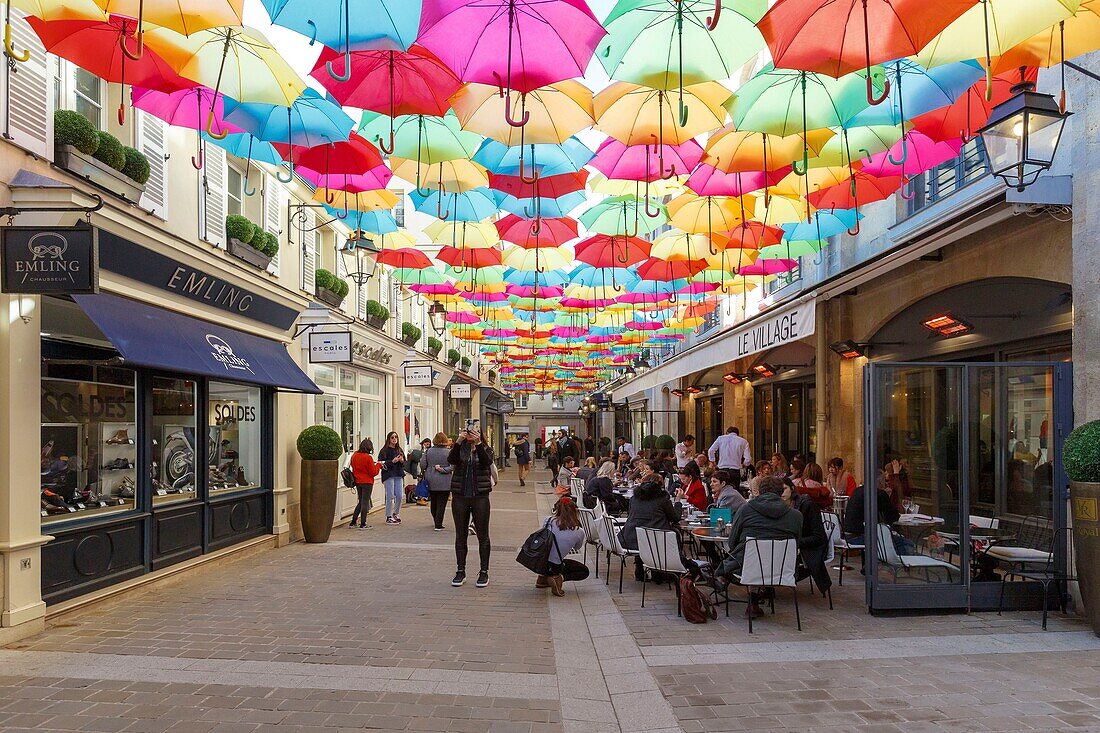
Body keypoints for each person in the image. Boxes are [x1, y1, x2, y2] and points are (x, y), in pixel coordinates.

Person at [716, 476, 803, 618]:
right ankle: (755, 601)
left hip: (749, 568)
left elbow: (732, 543)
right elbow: (796, 544)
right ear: (781, 492)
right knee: (758, 556)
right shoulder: (796, 516)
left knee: (749, 556)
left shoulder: (746, 510)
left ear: (760, 492)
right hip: (782, 569)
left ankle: (752, 600)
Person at [447, 425, 494, 588]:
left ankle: (484, 572)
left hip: (480, 497)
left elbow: (486, 462)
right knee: (460, 535)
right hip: (460, 496)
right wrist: (458, 442)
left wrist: (478, 444)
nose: (470, 434)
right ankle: (460, 571)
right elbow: (451, 460)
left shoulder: (486, 448)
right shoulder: (461, 449)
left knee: (483, 536)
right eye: (468, 431)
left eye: (474, 431)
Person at [782, 482, 833, 594]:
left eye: (784, 489)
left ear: (792, 488)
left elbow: (819, 537)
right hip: (790, 547)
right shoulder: (780, 506)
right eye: (778, 490)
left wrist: (795, 543)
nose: (781, 493)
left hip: (810, 549)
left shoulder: (807, 505)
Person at [843, 477, 915, 556]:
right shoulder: (879, 493)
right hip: (863, 537)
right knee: (907, 543)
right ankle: (900, 565)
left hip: (847, 537)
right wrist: (888, 496)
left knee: (890, 538)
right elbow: (892, 518)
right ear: (880, 482)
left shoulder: (857, 490)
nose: (886, 484)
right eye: (885, 481)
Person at [535, 496, 591, 596]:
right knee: (584, 571)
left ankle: (542, 578)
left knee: (551, 558)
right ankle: (558, 578)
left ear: (557, 509)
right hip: (555, 565)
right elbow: (577, 547)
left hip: (539, 562)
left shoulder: (548, 520)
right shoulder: (579, 531)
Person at [618, 475, 681, 552]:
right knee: (675, 532)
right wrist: (678, 501)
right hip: (655, 541)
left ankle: (639, 561)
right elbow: (675, 518)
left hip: (630, 539)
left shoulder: (634, 499)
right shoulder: (662, 500)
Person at [421, 432, 454, 531]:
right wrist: (443, 470)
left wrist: (429, 468)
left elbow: (422, 464)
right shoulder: (449, 452)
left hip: (431, 479)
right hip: (445, 481)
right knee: (442, 503)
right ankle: (438, 524)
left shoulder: (428, 451)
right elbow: (452, 467)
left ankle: (436, 519)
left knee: (434, 501)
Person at [349, 439, 380, 529]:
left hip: (358, 481)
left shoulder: (354, 455)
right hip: (367, 482)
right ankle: (363, 523)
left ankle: (353, 522)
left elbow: (352, 465)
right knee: (365, 502)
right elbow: (373, 472)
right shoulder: (368, 457)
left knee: (361, 502)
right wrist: (378, 465)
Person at [378, 432, 406, 525]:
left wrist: (401, 460)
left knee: (399, 495)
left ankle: (396, 513)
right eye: (392, 437)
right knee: (390, 496)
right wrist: (392, 461)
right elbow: (380, 463)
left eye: (396, 437)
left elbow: (404, 462)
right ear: (389, 439)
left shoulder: (399, 449)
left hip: (398, 474)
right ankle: (388, 516)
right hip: (389, 474)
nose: (394, 439)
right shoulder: (384, 450)